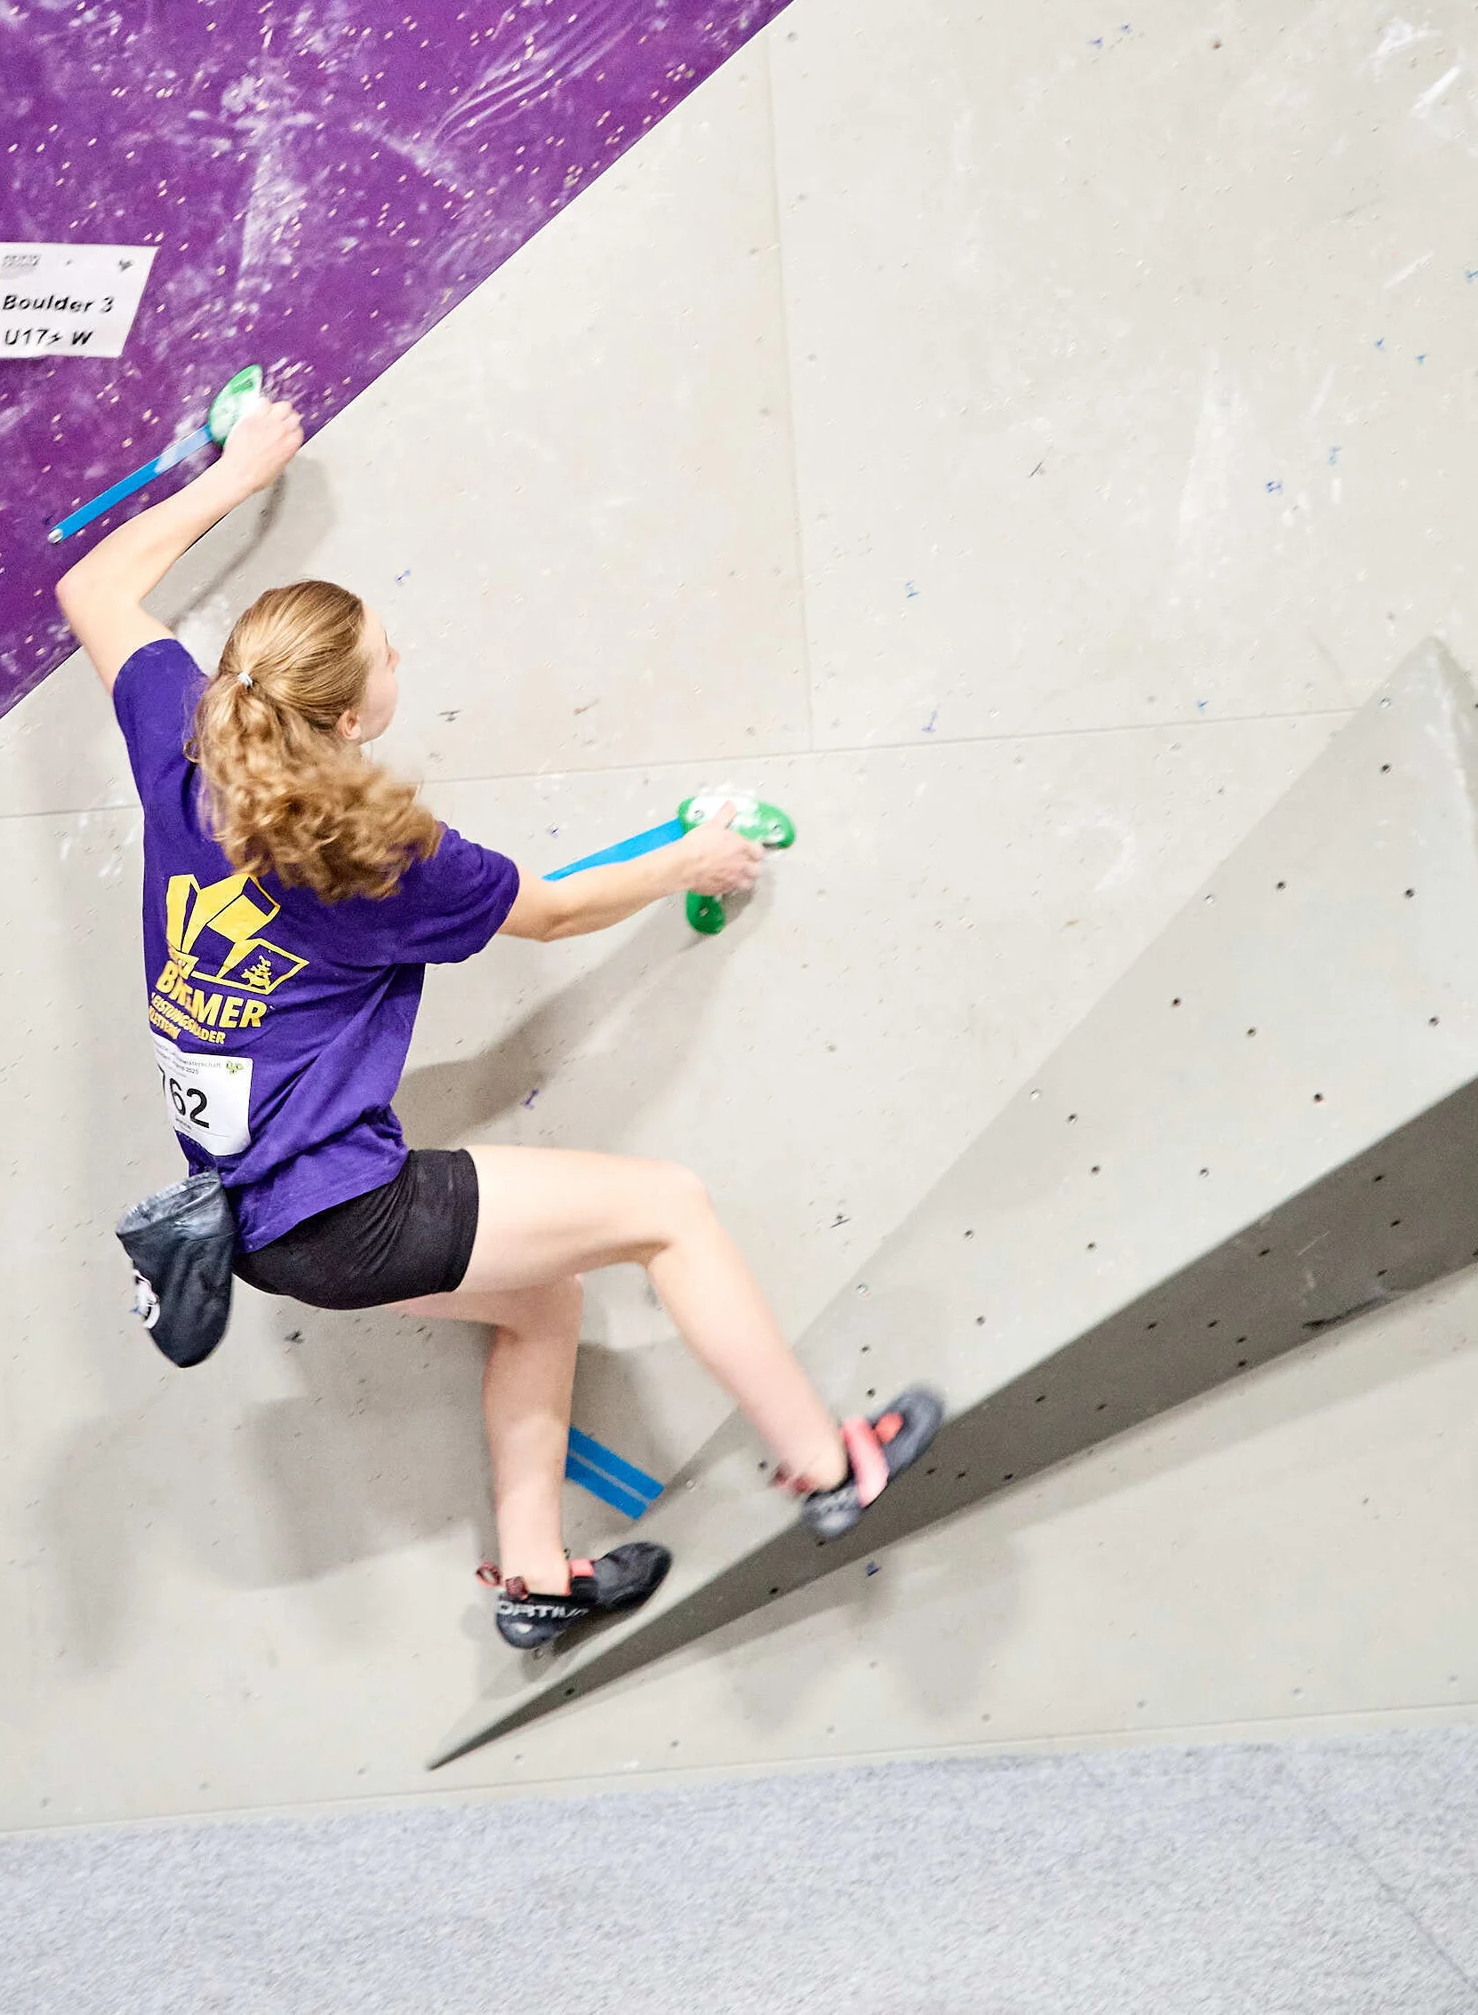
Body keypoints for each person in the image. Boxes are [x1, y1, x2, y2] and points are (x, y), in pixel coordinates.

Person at [55, 387, 940, 1648]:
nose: (401, 659)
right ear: (353, 718)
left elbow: (95, 587)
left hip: (252, 1221)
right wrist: (697, 855)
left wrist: (238, 474)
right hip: (340, 1214)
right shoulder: (379, 854)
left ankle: (536, 1573)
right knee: (669, 1209)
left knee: (541, 1295)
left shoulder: (183, 751)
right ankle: (828, 1460)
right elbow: (563, 909)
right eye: (387, 657)